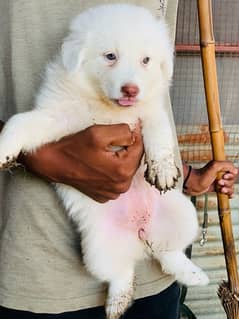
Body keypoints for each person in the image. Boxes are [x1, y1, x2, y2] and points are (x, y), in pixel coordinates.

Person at [0, 1, 237, 319]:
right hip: (39, 270)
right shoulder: (69, 83)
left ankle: (172, 257)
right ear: (78, 55)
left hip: (155, 282)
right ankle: (121, 278)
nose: (131, 81)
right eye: (110, 58)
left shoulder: (146, 53)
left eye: (144, 62)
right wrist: (29, 151)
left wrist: (178, 170)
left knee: (178, 221)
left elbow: (154, 122)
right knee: (101, 252)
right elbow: (42, 124)